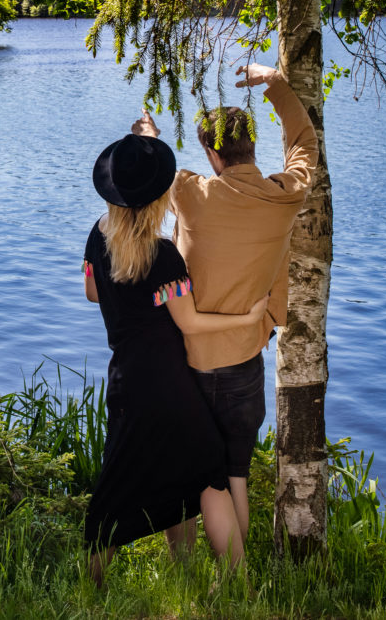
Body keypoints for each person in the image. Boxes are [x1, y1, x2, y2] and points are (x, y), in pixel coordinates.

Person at [132, 62, 318, 545]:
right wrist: (276, 84)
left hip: (189, 363)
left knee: (185, 474)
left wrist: (150, 136)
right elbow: (304, 147)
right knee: (234, 475)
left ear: (213, 154)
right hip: (244, 365)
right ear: (251, 146)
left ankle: (185, 575)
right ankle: (234, 579)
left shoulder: (194, 194)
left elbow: (156, 173)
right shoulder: (286, 195)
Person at [83, 130, 270, 586]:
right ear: (158, 200)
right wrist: (247, 319)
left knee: (116, 480)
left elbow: (91, 292)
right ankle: (239, 586)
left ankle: (92, 586)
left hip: (126, 380)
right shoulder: (164, 255)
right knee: (210, 472)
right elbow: (189, 323)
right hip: (168, 382)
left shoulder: (99, 237)